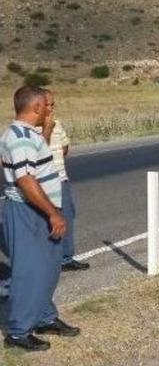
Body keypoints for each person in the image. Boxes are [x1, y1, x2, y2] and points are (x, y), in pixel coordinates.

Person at [1, 86, 80, 352]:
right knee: (29, 272)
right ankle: (18, 332)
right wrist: (53, 213)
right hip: (28, 212)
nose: (50, 110)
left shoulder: (28, 135)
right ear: (36, 107)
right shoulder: (19, 138)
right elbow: (25, 180)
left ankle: (45, 318)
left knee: (47, 268)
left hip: (37, 210)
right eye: (47, 105)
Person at [39, 89, 89, 271]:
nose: (51, 108)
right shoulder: (31, 128)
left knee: (67, 217)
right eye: (47, 105)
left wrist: (59, 144)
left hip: (61, 178)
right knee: (44, 221)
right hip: (42, 183)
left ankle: (66, 258)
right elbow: (38, 152)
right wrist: (47, 130)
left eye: (53, 105)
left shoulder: (57, 124)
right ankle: (45, 259)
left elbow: (65, 147)